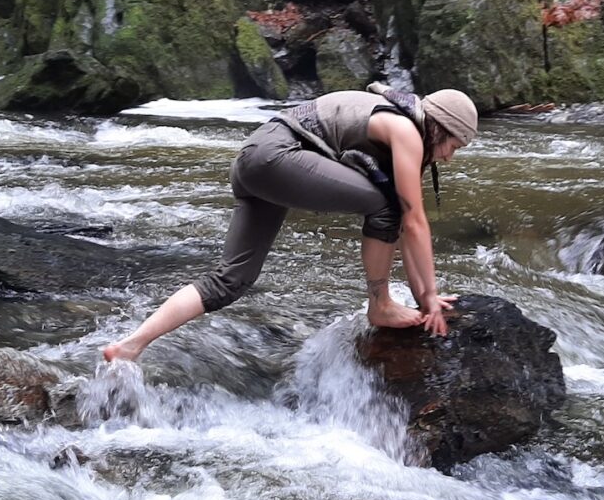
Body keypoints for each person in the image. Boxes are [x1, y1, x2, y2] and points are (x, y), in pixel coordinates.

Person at [102, 82, 478, 361]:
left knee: (230, 281)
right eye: (454, 147)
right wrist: (427, 298)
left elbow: (409, 226)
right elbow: (413, 220)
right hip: (278, 156)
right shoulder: (406, 130)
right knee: (385, 206)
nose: (449, 158)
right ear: (439, 128)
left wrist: (425, 296)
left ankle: (130, 346)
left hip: (254, 161)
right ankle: (379, 303)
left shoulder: (402, 121)